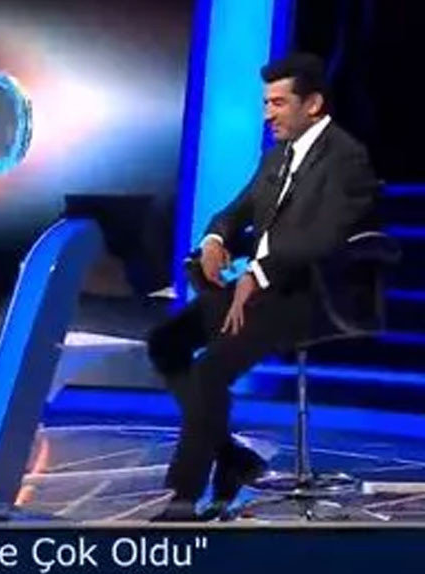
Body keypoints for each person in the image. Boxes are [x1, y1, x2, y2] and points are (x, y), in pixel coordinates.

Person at [147, 53, 380, 521]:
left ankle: (184, 498)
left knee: (210, 371)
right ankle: (233, 458)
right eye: (265, 103)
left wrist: (260, 271)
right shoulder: (278, 155)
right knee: (166, 342)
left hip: (311, 294)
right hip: (261, 290)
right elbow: (237, 211)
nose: (267, 114)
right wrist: (215, 239)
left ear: (312, 104)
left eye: (278, 103)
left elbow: (324, 238)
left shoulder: (346, 159)